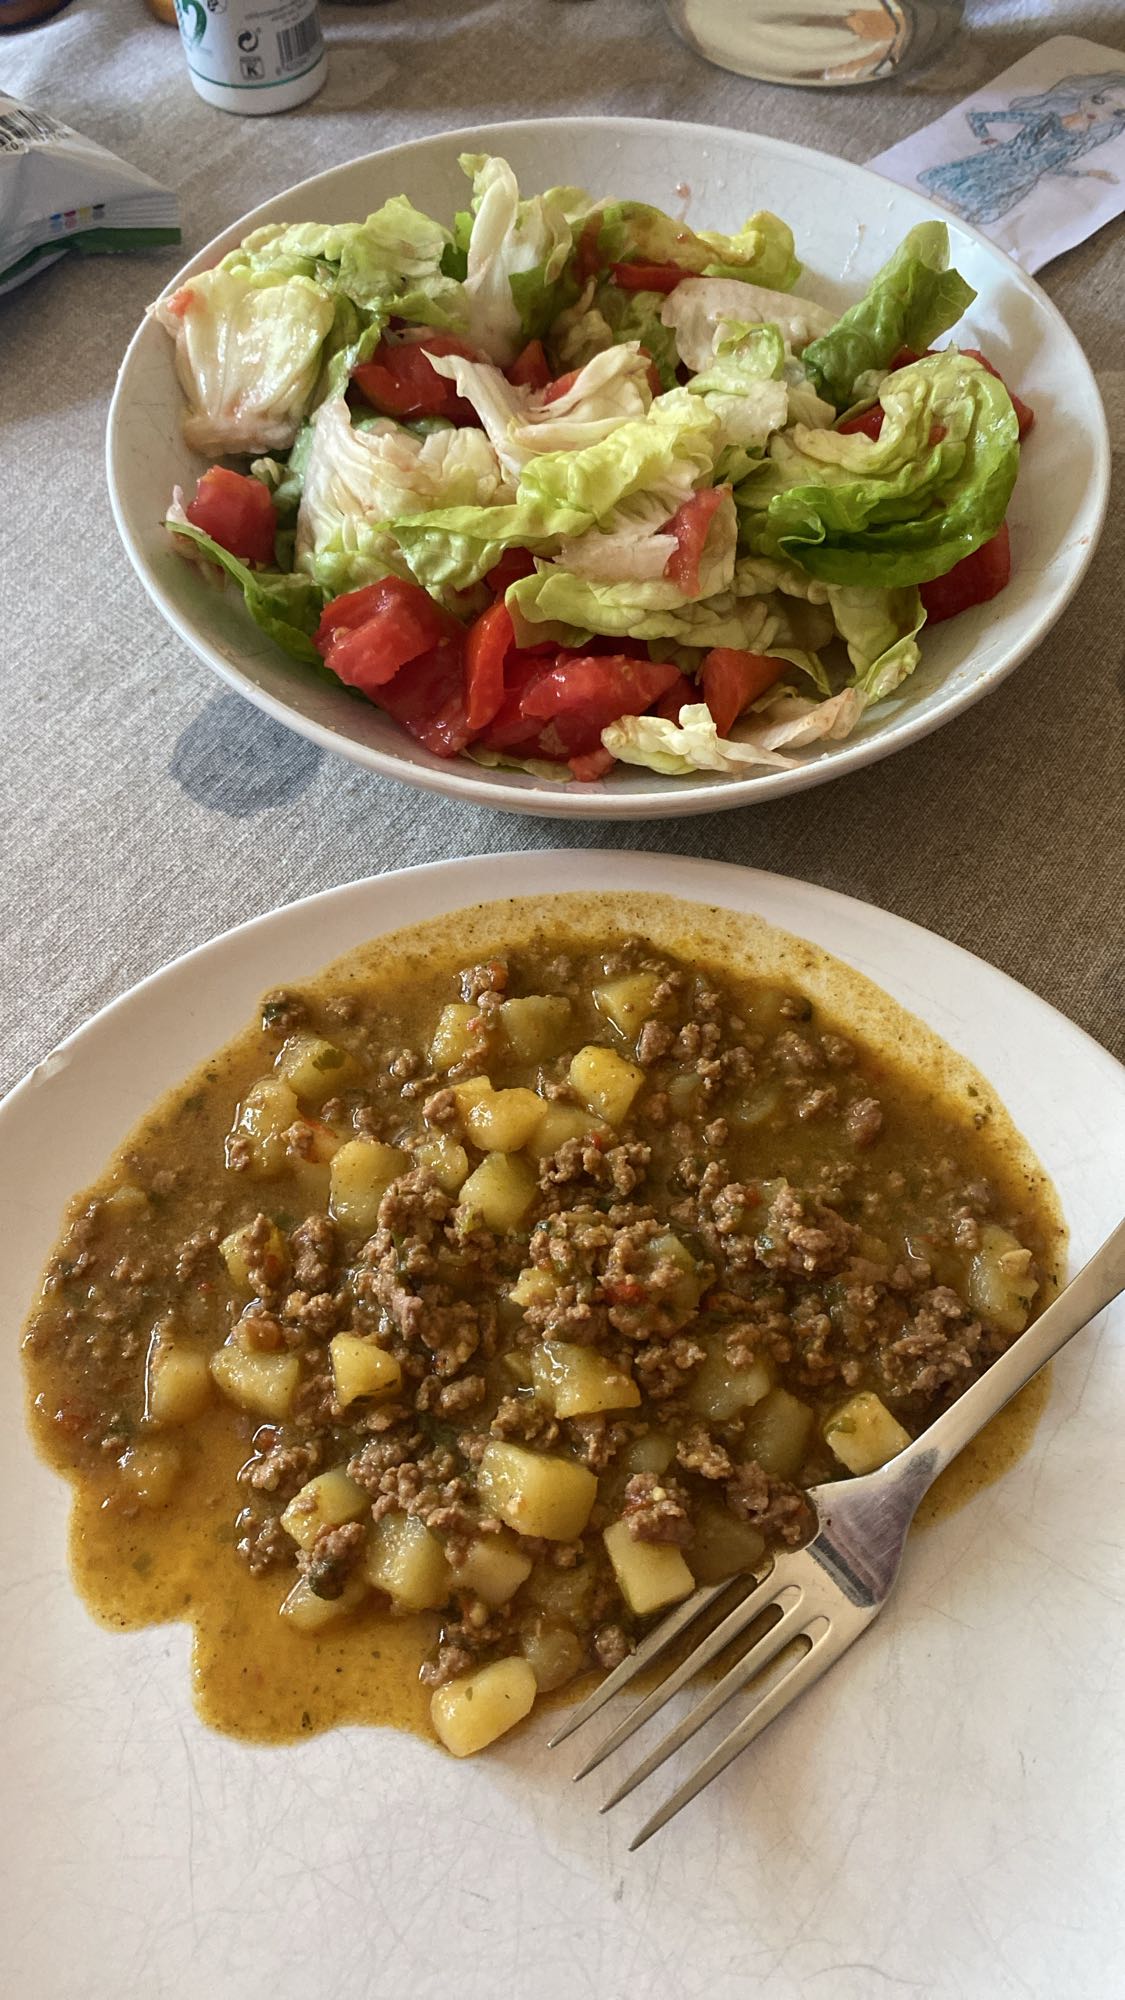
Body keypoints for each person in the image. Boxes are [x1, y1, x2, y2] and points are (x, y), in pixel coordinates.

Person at [918, 71, 1125, 226]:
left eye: (1117, 112)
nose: (1100, 110)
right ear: (1085, 96)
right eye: (1099, 100)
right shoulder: (1047, 120)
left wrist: (1090, 173)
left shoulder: (1082, 142)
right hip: (990, 167)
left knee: (955, 229)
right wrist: (989, 140)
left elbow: (1051, 167)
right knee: (930, 212)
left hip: (1014, 184)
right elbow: (978, 117)